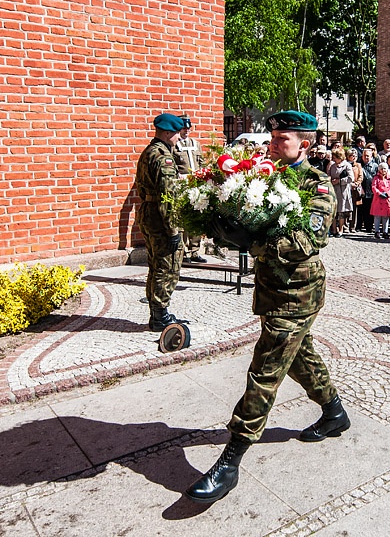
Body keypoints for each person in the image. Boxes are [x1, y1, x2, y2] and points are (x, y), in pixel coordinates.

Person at [186, 111, 349, 504]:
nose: (273, 144)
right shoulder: (264, 174)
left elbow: (308, 238)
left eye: (283, 139)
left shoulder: (318, 183)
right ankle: (334, 412)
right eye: (272, 137)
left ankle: (231, 459)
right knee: (299, 356)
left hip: (299, 291)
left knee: (265, 370)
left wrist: (251, 242)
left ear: (304, 145)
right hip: (272, 287)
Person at [136, 113, 185, 331]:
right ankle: (160, 315)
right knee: (167, 267)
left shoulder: (149, 151)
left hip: (148, 212)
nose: (179, 139)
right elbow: (168, 196)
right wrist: (173, 230)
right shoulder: (163, 157)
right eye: (176, 134)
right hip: (161, 218)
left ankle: (158, 312)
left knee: (155, 266)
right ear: (167, 133)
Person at [173, 114, 208, 264]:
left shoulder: (196, 143)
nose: (186, 130)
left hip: (196, 184)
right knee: (183, 219)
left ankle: (194, 251)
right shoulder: (174, 146)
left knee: (196, 218)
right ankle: (184, 252)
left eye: (188, 127)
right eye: (183, 128)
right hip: (182, 185)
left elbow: (201, 162)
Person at [327, 147, 353, 237]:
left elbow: (351, 178)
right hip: (333, 190)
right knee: (334, 211)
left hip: (343, 191)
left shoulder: (347, 166)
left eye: (335, 157)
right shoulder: (332, 166)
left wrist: (339, 181)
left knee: (341, 211)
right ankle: (334, 229)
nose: (334, 159)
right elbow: (329, 175)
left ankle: (341, 229)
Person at [371, 162, 390, 239]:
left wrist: (388, 193)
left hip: (387, 199)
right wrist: (379, 193)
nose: (383, 170)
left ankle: (385, 232)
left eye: (385, 168)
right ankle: (377, 231)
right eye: (381, 169)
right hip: (378, 199)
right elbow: (373, 187)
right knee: (377, 216)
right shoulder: (376, 178)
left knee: (386, 217)